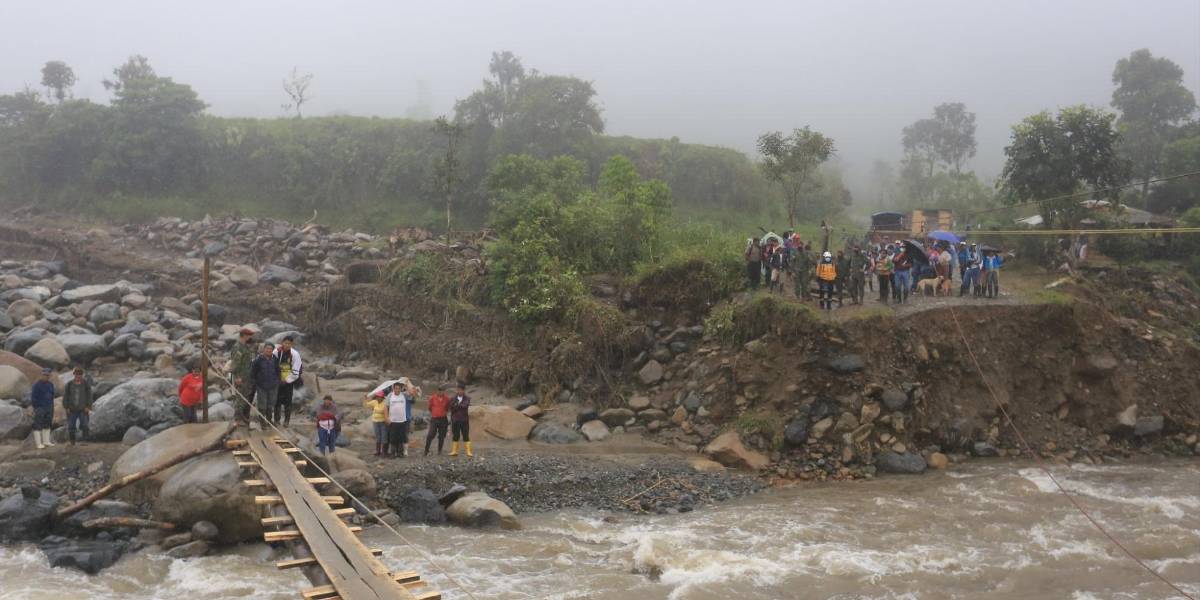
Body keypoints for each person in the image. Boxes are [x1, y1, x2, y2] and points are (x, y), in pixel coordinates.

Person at [272, 336, 303, 427]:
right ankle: (276, 420)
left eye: (289, 343)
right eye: (285, 343)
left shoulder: (295, 354)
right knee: (277, 400)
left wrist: (287, 380)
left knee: (288, 401)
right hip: (278, 379)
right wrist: (277, 379)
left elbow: (296, 369)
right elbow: (273, 366)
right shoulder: (276, 352)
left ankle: (286, 421)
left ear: (292, 344)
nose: (287, 345)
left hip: (289, 380)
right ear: (282, 343)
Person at [230, 328, 257, 425]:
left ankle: (242, 418)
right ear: (244, 335)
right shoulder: (238, 347)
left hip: (247, 377)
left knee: (245, 398)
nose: (251, 337)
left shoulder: (245, 346)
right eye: (249, 335)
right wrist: (237, 377)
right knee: (240, 399)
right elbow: (235, 363)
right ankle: (237, 420)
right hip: (241, 377)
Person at [249, 343, 279, 428]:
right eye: (267, 348)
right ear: (263, 349)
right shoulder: (258, 360)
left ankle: (269, 421)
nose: (268, 350)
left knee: (271, 404)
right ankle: (262, 422)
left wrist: (277, 381)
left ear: (273, 350)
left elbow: (278, 371)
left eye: (270, 349)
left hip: (273, 386)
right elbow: (253, 372)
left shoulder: (275, 359)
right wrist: (254, 382)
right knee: (262, 405)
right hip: (261, 386)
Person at [62, 367, 93, 445]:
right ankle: (72, 441)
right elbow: (65, 396)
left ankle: (85, 441)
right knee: (71, 426)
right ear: (74, 375)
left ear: (82, 375)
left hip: (83, 409)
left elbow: (89, 396)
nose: (78, 376)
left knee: (85, 425)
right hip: (72, 410)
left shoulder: (86, 384)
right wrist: (66, 407)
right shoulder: (69, 384)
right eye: (76, 375)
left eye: (80, 375)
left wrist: (88, 407)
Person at [31, 368, 55, 449]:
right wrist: (37, 407)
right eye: (44, 375)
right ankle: (38, 444)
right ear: (42, 375)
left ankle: (46, 441)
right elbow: (33, 397)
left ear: (50, 376)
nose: (46, 376)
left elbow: (52, 395)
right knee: (37, 424)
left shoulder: (51, 384)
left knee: (47, 423)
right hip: (40, 407)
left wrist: (51, 406)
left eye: (48, 375)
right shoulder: (36, 385)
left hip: (49, 406)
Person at [425, 384, 451, 456]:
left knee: (442, 436)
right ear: (437, 391)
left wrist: (443, 412)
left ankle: (439, 451)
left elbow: (448, 408)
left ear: (444, 391)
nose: (440, 392)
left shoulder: (447, 398)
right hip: (434, 419)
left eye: (442, 391)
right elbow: (430, 408)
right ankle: (426, 450)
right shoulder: (433, 398)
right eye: (439, 391)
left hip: (443, 419)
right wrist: (434, 413)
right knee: (430, 434)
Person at [386, 382, 410, 458]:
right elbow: (385, 407)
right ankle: (392, 453)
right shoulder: (390, 395)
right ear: (393, 388)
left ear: (401, 389)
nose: (397, 390)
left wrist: (407, 382)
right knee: (392, 438)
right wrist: (387, 418)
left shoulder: (404, 395)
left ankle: (400, 453)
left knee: (401, 438)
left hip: (402, 420)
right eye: (396, 388)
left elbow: (414, 393)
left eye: (399, 388)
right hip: (393, 421)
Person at [448, 384, 472, 457]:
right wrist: (457, 405)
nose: (459, 391)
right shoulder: (453, 398)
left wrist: (457, 405)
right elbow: (451, 407)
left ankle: (468, 451)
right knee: (456, 435)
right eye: (458, 390)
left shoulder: (467, 398)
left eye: (461, 390)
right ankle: (454, 451)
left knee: (466, 436)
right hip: (455, 420)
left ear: (463, 390)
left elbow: (465, 406)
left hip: (464, 420)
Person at [363, 388, 389, 456]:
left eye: (379, 397)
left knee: (384, 436)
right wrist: (366, 398)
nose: (378, 398)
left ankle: (384, 452)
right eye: (377, 396)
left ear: (382, 397)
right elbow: (366, 405)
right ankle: (378, 451)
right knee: (378, 436)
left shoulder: (385, 403)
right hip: (375, 421)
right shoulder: (374, 402)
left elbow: (387, 412)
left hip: (383, 422)